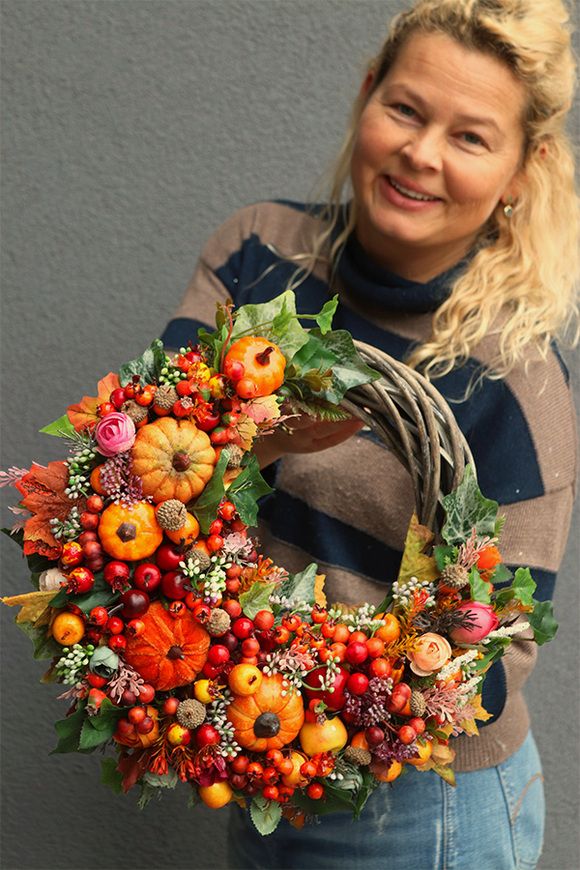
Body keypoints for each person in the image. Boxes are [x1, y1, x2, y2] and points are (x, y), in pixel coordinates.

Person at [161, 1, 579, 867]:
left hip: (422, 806)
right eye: (406, 109)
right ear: (365, 94)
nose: (421, 153)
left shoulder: (513, 380)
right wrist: (264, 439)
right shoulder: (258, 254)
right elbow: (146, 461)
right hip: (257, 753)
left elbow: (485, 671)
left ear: (520, 171)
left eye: (471, 138)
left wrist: (323, 702)